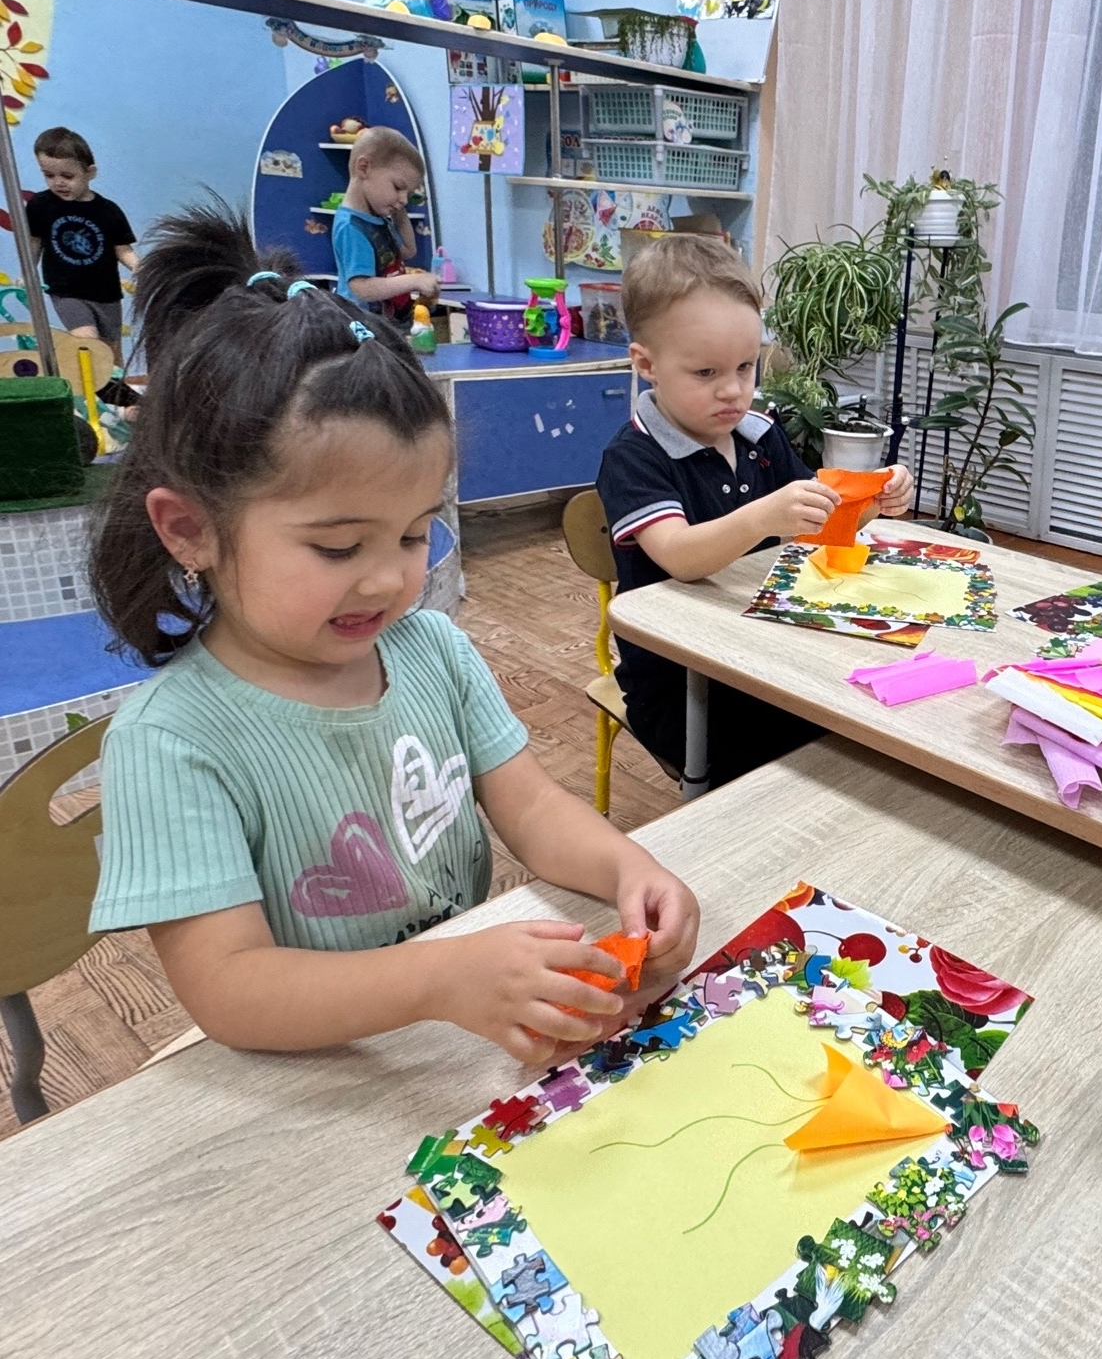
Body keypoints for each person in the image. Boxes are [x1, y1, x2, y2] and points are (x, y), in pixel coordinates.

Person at [87, 203, 698, 1059]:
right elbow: (229, 989)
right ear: (191, 530)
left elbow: (530, 807)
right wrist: (437, 980)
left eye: (413, 535)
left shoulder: (432, 651)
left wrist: (629, 867)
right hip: (321, 1071)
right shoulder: (170, 742)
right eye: (339, 547)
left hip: (455, 1043)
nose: (387, 579)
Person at [597, 233, 915, 788]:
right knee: (796, 766)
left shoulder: (760, 436)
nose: (733, 391)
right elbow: (679, 556)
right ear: (647, 364)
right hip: (682, 681)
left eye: (745, 368)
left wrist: (873, 500)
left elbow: (817, 521)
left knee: (861, 731)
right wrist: (764, 517)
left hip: (762, 651)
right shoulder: (635, 456)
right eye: (706, 373)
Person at [25, 126, 136, 361]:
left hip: (106, 293)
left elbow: (123, 250)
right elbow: (34, 242)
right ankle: (89, 381)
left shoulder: (108, 211)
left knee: (111, 353)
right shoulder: (40, 206)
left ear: (90, 172)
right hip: (66, 292)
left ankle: (114, 385)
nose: (58, 183)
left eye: (67, 176)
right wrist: (27, 273)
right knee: (88, 341)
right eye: (49, 175)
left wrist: (142, 268)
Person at [332, 125, 437, 329]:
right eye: (398, 187)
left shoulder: (378, 218)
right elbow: (362, 288)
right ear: (364, 168)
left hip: (390, 323)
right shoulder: (352, 227)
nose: (404, 199)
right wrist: (415, 281)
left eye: (408, 193)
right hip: (366, 329)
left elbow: (408, 251)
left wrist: (398, 210)